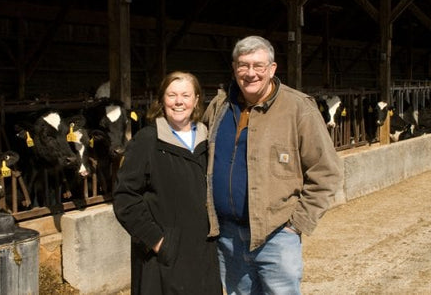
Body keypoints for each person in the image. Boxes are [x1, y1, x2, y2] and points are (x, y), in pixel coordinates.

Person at [203, 35, 343, 295]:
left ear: (272, 69)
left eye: (258, 65)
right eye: (243, 65)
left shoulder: (299, 108)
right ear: (234, 69)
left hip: (276, 235)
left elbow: (327, 172)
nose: (251, 73)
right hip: (227, 235)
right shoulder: (219, 106)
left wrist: (296, 225)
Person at [113, 71, 222, 295]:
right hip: (164, 256)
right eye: (172, 95)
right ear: (162, 100)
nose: (179, 101)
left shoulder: (208, 139)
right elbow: (125, 198)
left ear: (197, 100)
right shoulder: (148, 140)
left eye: (185, 95)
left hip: (204, 251)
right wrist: (157, 241)